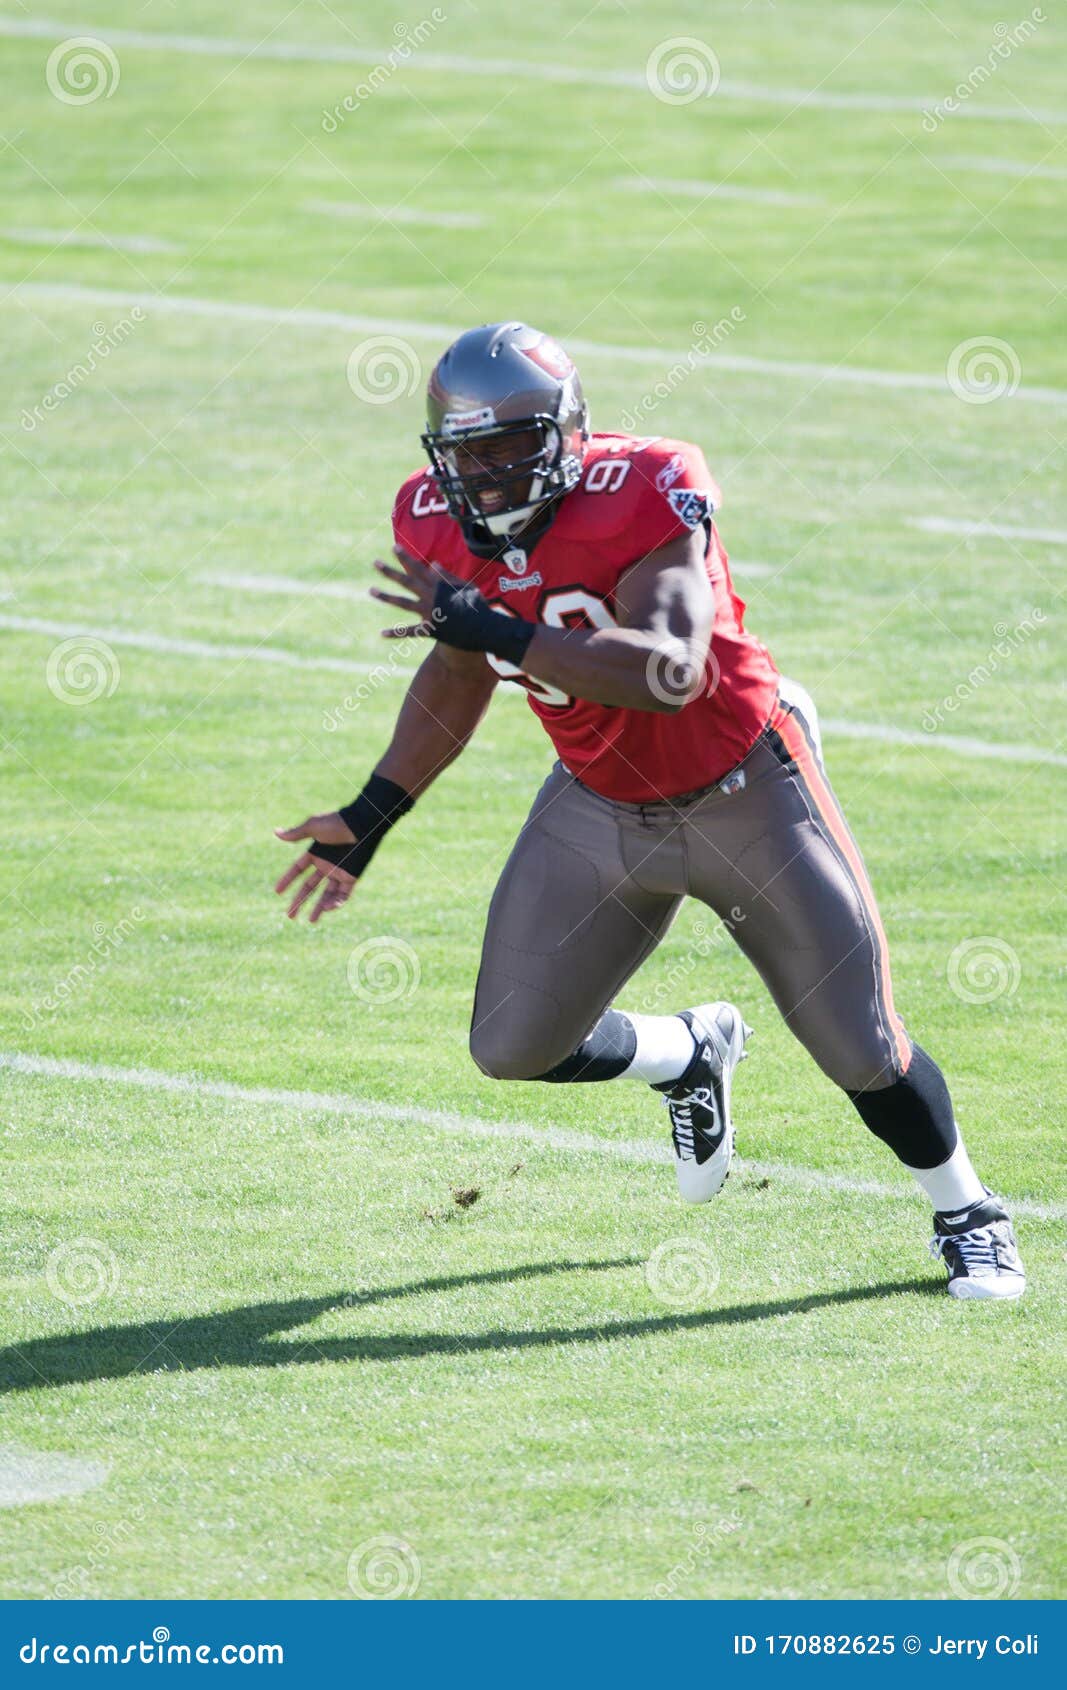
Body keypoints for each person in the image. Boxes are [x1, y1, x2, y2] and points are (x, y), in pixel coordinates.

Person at [274, 321, 1025, 1301]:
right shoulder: (428, 518)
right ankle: (685, 1053)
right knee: (511, 1045)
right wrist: (369, 814)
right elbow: (458, 673)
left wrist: (497, 623)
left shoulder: (647, 487)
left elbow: (669, 671)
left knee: (858, 1045)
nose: (486, 475)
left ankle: (966, 1210)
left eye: (507, 446)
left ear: (566, 433)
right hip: (595, 802)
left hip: (742, 785)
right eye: (466, 453)